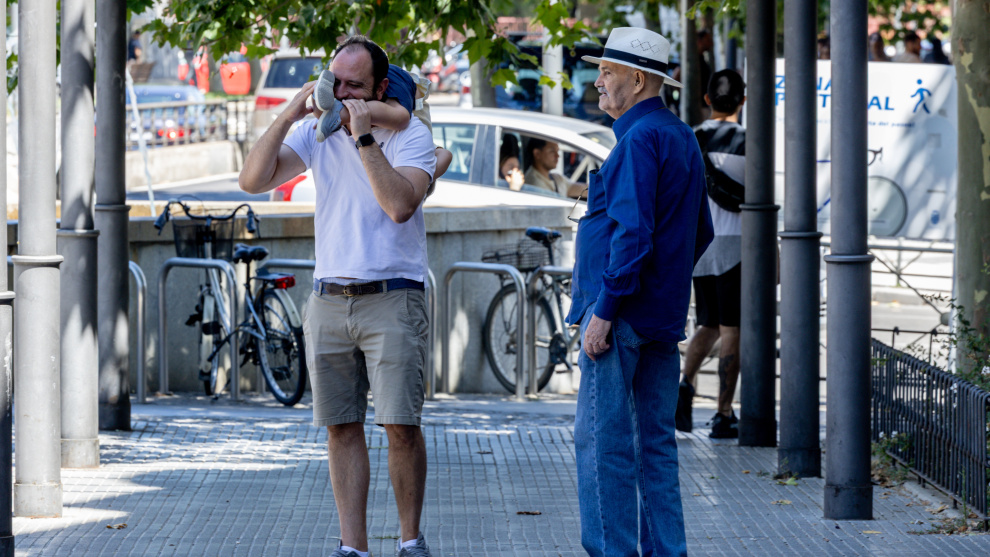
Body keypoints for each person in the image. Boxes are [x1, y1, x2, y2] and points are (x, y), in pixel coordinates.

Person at [239, 35, 438, 557]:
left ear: (379, 88)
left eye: (354, 85)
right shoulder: (315, 132)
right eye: (336, 82)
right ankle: (353, 548)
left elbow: (399, 205)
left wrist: (363, 135)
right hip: (329, 297)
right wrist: (289, 113)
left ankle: (410, 540)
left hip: (393, 296)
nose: (341, 93)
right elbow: (252, 180)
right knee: (341, 428)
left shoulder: (411, 135)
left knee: (400, 426)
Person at [569, 27, 713, 557]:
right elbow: (701, 233)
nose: (598, 81)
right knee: (655, 445)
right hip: (659, 316)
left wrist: (606, 310)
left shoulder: (637, 139)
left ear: (636, 79)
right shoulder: (680, 135)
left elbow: (632, 234)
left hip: (621, 315)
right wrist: (662, 285)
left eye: (607, 72)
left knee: (603, 442)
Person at [676, 69, 747, 439]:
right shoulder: (751, 142)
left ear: (707, 99)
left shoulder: (690, 138)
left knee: (708, 323)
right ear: (743, 101)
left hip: (700, 245)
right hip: (737, 246)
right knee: (732, 328)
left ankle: (684, 385)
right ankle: (723, 412)